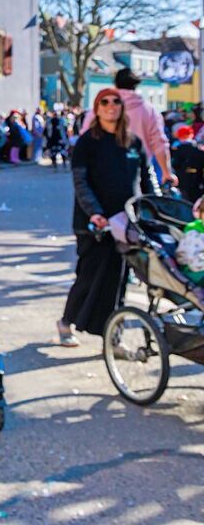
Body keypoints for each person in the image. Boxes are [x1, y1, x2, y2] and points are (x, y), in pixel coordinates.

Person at [59, 88, 154, 346]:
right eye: (104, 102)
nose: (111, 106)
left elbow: (146, 178)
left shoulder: (133, 142)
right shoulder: (86, 142)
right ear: (97, 108)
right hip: (95, 225)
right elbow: (81, 182)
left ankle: (114, 337)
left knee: (119, 281)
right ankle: (66, 322)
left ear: (122, 108)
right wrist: (96, 213)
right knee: (89, 276)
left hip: (127, 223)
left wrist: (154, 208)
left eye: (116, 102)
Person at [82, 68, 176, 186]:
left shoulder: (101, 108)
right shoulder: (149, 110)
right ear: (136, 85)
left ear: (115, 84)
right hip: (138, 169)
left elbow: (85, 138)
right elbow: (159, 143)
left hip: (102, 168)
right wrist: (166, 172)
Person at [172, 125, 204, 202]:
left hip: (182, 180)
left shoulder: (177, 148)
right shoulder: (198, 149)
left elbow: (175, 164)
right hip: (197, 180)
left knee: (185, 201)